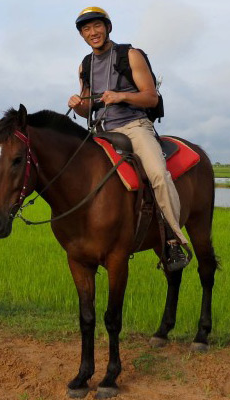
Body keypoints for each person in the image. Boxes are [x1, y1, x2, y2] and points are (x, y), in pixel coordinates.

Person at [67, 6, 189, 271]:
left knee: (158, 174)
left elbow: (150, 97)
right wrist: (77, 104)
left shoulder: (130, 55)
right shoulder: (85, 65)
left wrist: (121, 96)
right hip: (102, 131)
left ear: (107, 27)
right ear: (82, 35)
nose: (92, 32)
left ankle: (174, 242)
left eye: (96, 26)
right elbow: (88, 106)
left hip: (134, 126)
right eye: (86, 29)